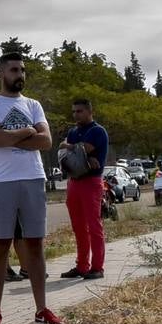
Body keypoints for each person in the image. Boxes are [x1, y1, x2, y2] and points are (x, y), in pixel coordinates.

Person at [0, 53, 61, 324]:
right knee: (0, 245)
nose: (20, 75)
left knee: (34, 245)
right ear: (2, 72)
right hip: (2, 182)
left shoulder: (33, 104)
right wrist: (26, 132)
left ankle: (41, 308)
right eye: (15, 70)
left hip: (33, 178)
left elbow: (46, 141)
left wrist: (10, 136)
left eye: (23, 70)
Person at [58, 98, 108, 280]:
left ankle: (97, 267)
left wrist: (73, 148)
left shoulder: (97, 131)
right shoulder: (73, 131)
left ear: (89, 111)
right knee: (78, 226)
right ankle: (81, 265)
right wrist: (77, 150)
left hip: (91, 181)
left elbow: (84, 148)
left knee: (94, 225)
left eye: (79, 111)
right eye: (74, 112)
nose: (76, 115)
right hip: (74, 181)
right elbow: (65, 152)